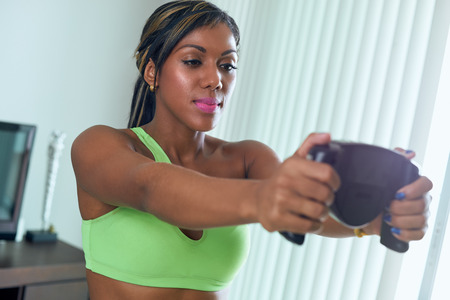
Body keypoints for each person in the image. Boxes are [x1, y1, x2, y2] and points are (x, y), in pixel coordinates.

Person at [71, 1, 433, 299]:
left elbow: (304, 204)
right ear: (152, 72)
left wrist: (376, 218)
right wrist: (263, 199)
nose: (216, 80)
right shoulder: (100, 145)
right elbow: (151, 188)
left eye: (227, 65)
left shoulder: (247, 157)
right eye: (193, 61)